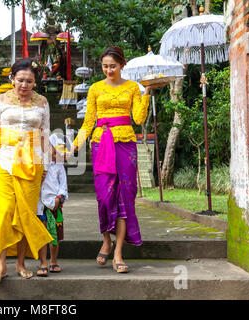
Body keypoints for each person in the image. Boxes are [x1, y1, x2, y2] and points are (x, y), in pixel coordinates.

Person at [71, 46, 163, 273]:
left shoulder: (133, 87)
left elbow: (139, 118)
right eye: (105, 66)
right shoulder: (95, 88)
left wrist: (147, 92)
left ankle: (119, 253)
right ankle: (106, 240)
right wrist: (74, 146)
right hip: (101, 144)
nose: (109, 70)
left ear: (122, 65)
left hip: (125, 146)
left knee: (125, 199)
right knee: (104, 197)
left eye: (113, 66)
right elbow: (88, 122)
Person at [0, 58, 54, 284]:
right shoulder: (0, 100)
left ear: (35, 82)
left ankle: (20, 262)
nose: (24, 85)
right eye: (20, 80)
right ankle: (1, 265)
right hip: (2, 161)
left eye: (29, 81)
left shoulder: (42, 102)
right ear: (12, 78)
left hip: (32, 163)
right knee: (5, 212)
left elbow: (45, 134)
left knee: (26, 214)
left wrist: (46, 167)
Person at [36, 133, 69, 276]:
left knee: (54, 234)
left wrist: (59, 199)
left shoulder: (59, 167)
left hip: (55, 204)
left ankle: (53, 261)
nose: (56, 156)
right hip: (40, 204)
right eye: (54, 152)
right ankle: (43, 262)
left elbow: (63, 186)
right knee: (41, 233)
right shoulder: (38, 163)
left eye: (59, 154)